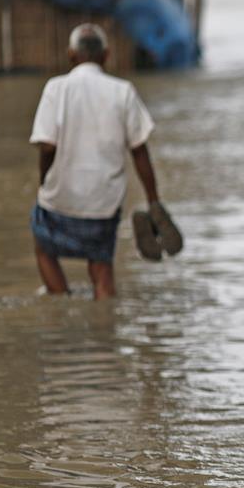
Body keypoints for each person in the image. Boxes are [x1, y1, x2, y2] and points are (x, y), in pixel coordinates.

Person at [29, 23, 175, 299]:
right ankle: (104, 329)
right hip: (104, 202)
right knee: (101, 264)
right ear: (106, 55)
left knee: (43, 247)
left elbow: (47, 147)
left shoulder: (55, 88)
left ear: (71, 55)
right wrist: (153, 200)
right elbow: (139, 151)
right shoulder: (123, 91)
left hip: (60, 196)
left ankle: (61, 300)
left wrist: (43, 182)